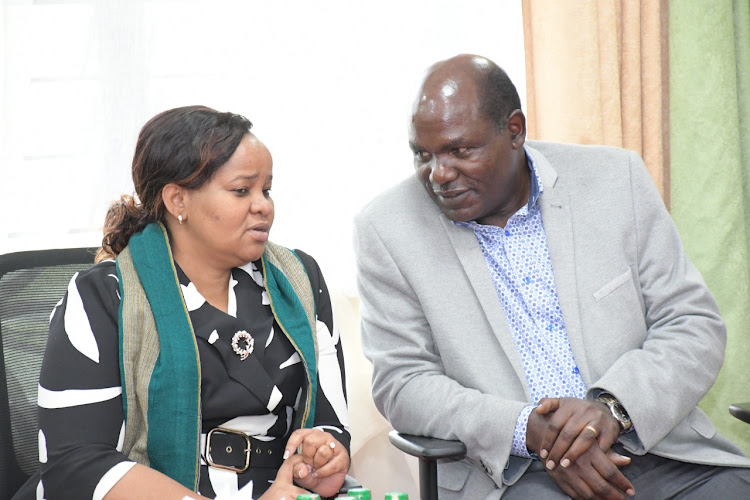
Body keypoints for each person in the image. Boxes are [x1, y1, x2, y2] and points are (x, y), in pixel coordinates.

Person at [353, 54, 750, 499]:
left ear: (515, 130)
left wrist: (611, 409)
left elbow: (692, 324)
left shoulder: (615, 181)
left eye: (461, 150)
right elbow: (403, 383)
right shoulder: (387, 229)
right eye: (422, 155)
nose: (440, 174)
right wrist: (530, 430)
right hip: (514, 476)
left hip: (657, 449)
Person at [16, 105, 350, 500]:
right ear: (178, 201)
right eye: (242, 190)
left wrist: (323, 457)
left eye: (267, 189)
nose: (263, 205)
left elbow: (331, 424)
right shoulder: (104, 297)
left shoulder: (300, 280)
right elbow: (76, 464)